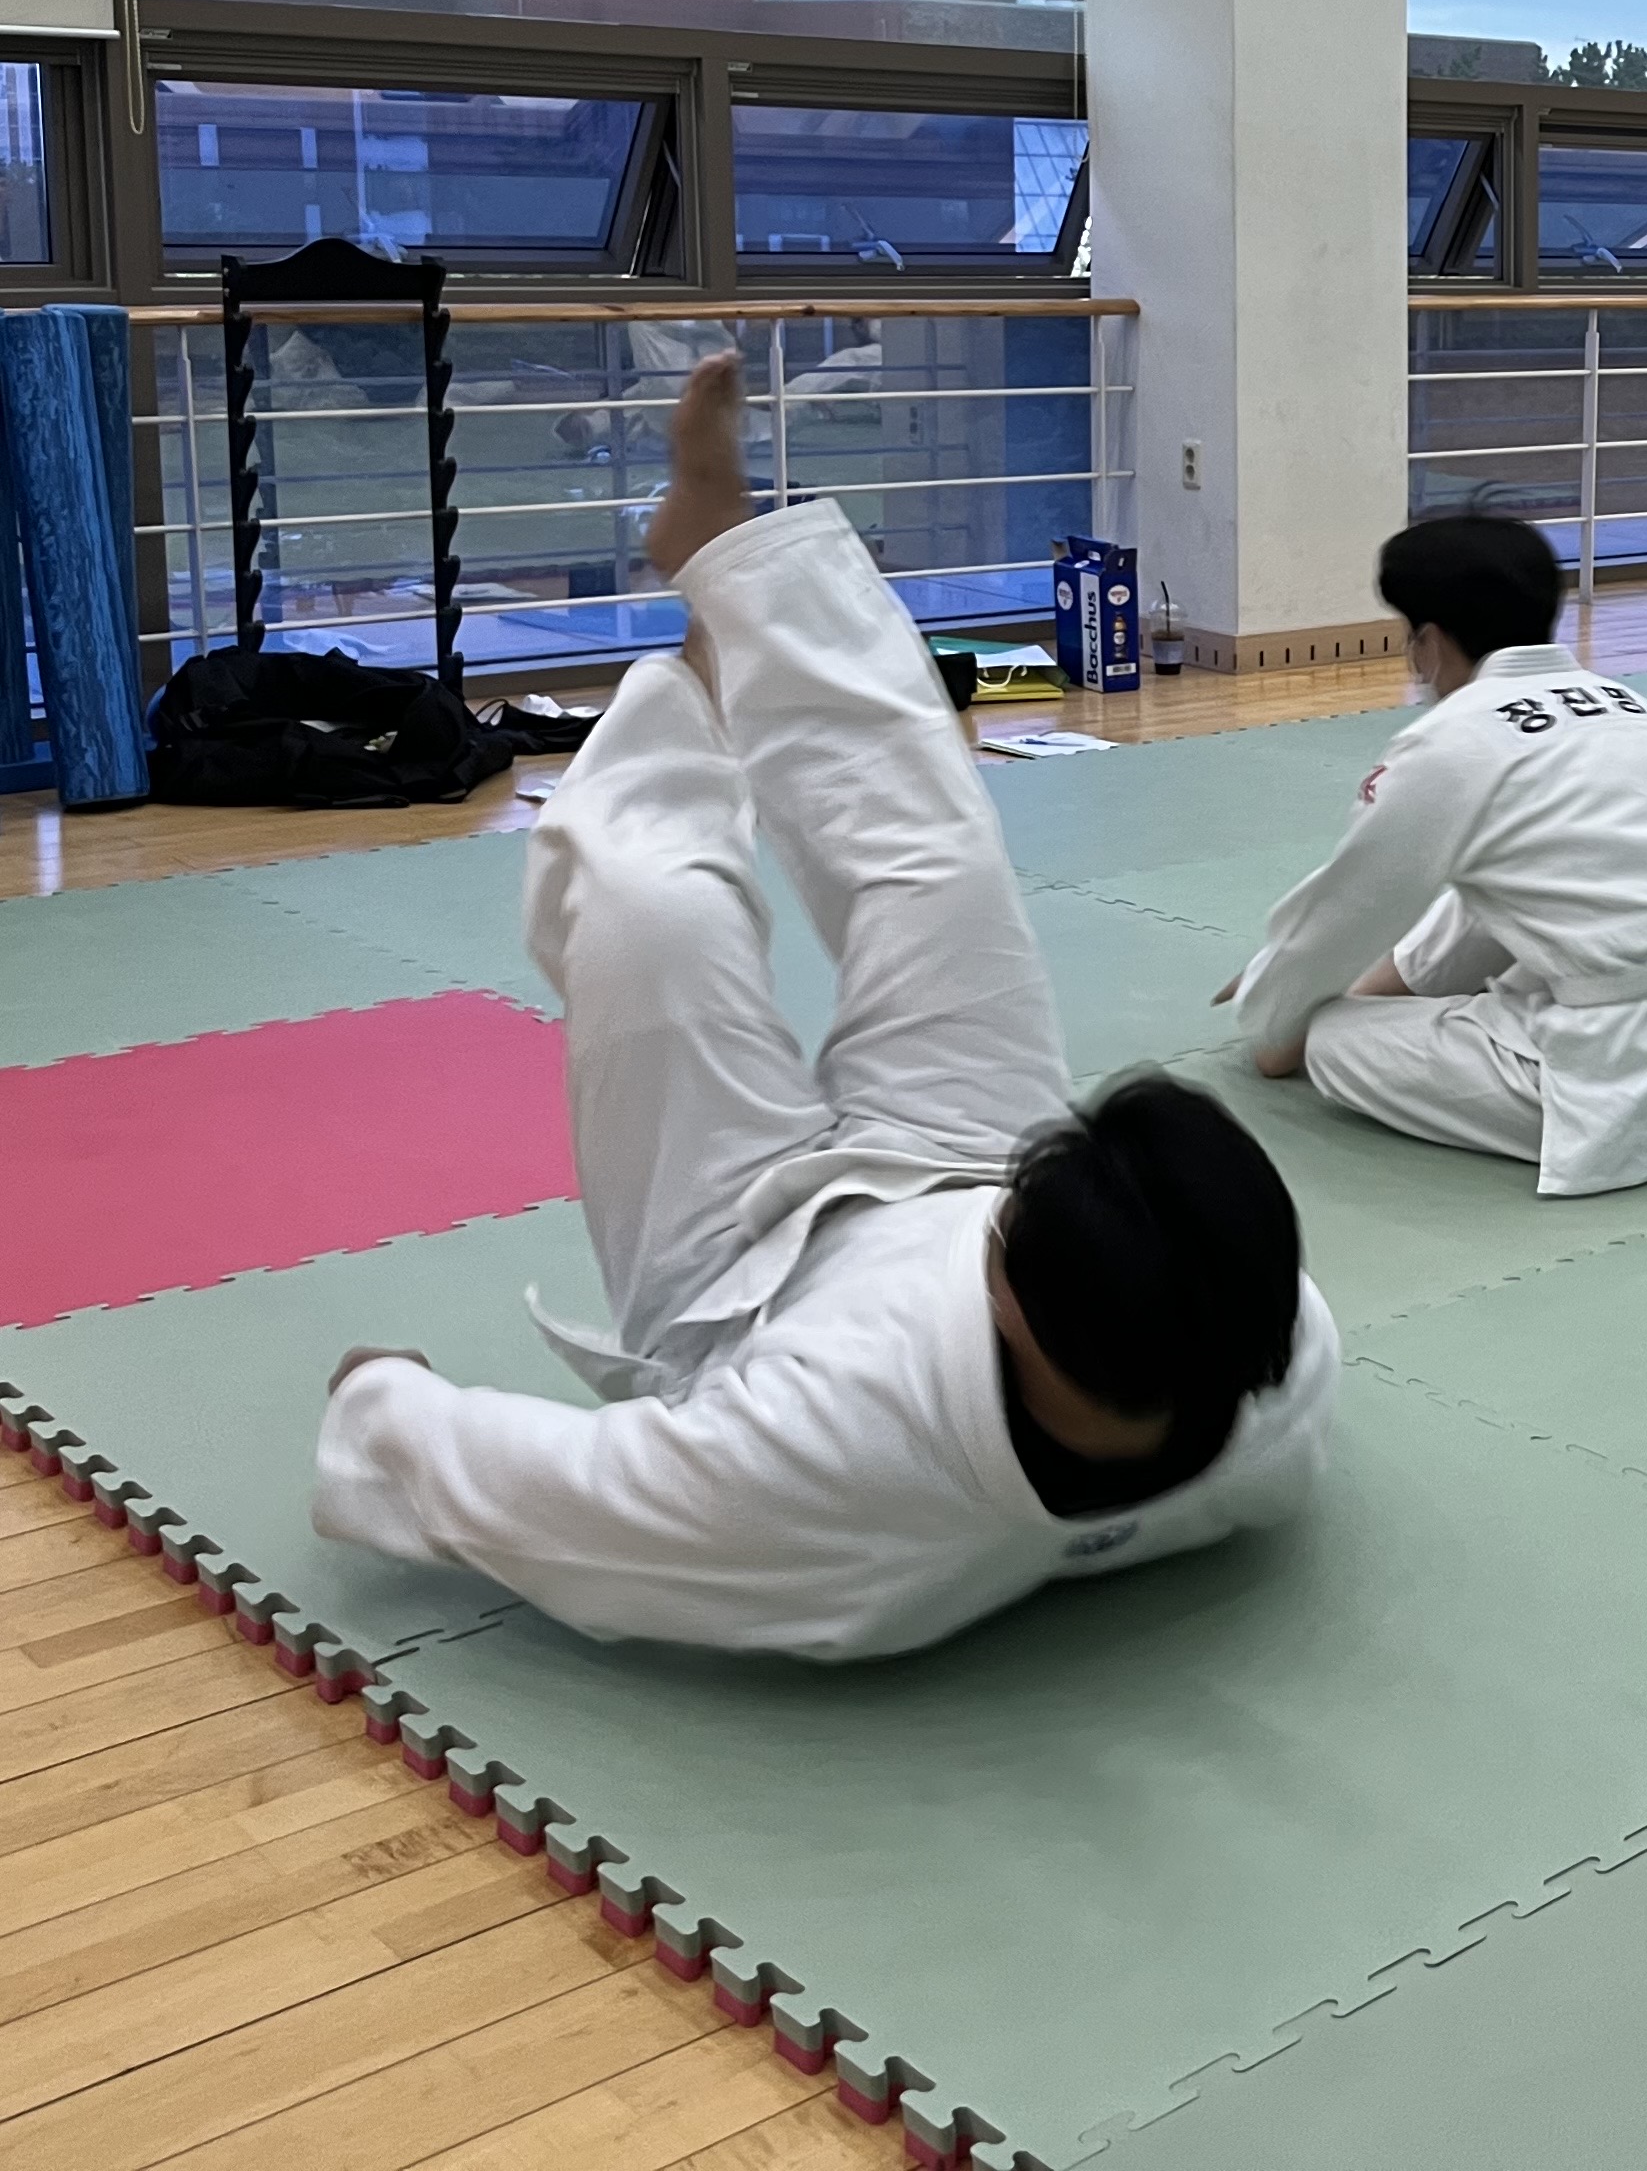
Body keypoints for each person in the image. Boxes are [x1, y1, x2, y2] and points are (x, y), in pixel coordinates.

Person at [312, 356, 1338, 1660]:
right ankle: (731, 565)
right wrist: (1009, 1184)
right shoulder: (1276, 1363)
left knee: (649, 916)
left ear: (1005, 1289)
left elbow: (552, 1502)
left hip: (743, 1288)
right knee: (940, 864)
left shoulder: (819, 1478)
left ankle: (697, 682)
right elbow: (1155, 1256)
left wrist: (384, 1403)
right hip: (957, 1164)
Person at [1229, 512, 1647, 1196]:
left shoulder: (1449, 741)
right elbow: (1490, 899)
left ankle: (1338, 1022)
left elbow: (1350, 907)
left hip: (1616, 1076)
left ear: (1428, 643)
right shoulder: (1630, 705)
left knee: (1333, 1039)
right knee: (1498, 876)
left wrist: (1277, 1016)